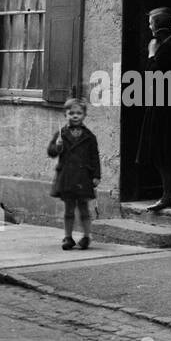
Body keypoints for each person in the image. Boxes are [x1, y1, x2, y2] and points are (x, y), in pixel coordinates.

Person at [135, 7, 171, 210]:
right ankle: (167, 193)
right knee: (156, 150)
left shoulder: (170, 44)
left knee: (162, 150)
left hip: (165, 105)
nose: (149, 26)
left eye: (152, 22)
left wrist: (151, 54)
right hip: (159, 101)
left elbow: (154, 72)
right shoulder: (165, 43)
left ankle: (169, 194)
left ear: (159, 24)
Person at [48, 97, 101, 250]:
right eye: (71, 113)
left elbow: (94, 157)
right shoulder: (61, 134)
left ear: (84, 115)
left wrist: (96, 175)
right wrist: (57, 147)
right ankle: (68, 237)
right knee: (69, 208)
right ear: (66, 115)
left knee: (83, 207)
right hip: (67, 177)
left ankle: (86, 236)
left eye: (79, 113)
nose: (75, 116)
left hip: (83, 177)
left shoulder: (89, 136)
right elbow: (51, 152)